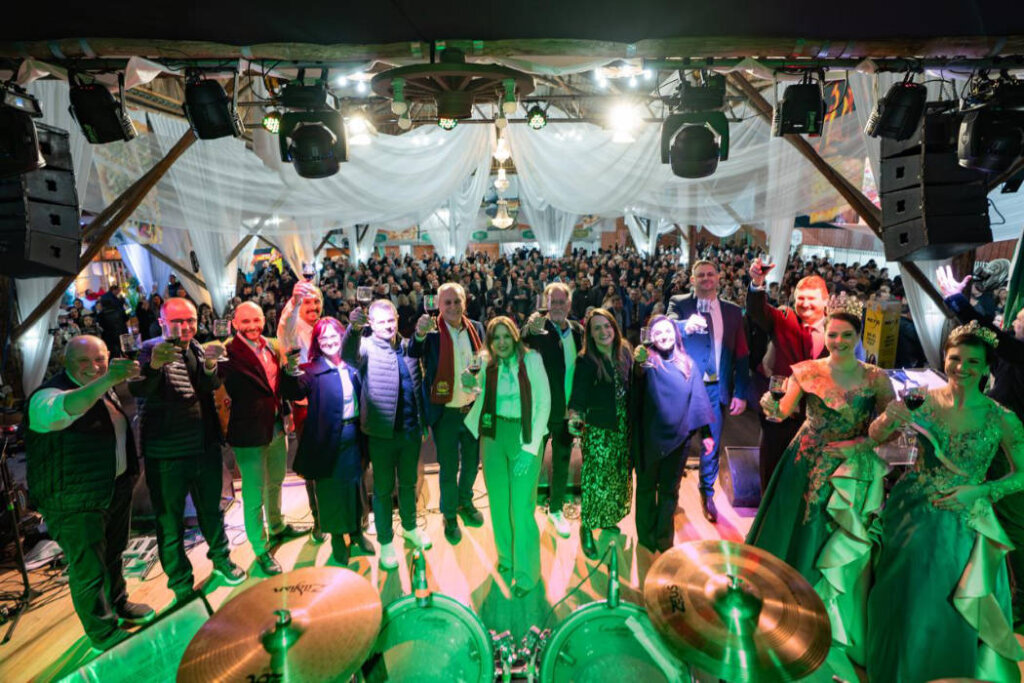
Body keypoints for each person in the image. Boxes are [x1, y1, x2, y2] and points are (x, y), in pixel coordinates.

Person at [866, 321, 1024, 680]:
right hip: (911, 514)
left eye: (973, 361)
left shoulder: (1002, 419)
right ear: (945, 358)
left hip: (965, 523)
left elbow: (1021, 475)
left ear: (986, 367)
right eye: (955, 358)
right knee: (903, 593)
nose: (962, 368)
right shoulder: (920, 398)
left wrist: (981, 491)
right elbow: (877, 436)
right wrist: (889, 418)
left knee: (949, 601)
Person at [747, 300, 893, 666]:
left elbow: (890, 427)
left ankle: (834, 621)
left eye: (847, 335)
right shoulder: (806, 371)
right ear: (824, 334)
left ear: (858, 336)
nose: (839, 341)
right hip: (806, 463)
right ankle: (789, 610)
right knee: (797, 532)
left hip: (852, 469)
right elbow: (782, 412)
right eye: (833, 334)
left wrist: (864, 443)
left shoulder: (876, 378)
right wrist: (770, 405)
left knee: (839, 539)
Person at [25, 336, 153, 652]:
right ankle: (102, 633)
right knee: (88, 568)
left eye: (99, 359)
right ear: (65, 362)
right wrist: (107, 379)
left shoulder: (104, 387)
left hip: (111, 488)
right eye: (84, 361)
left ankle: (118, 603)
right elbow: (68, 408)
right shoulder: (46, 396)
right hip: (72, 498)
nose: (94, 367)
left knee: (113, 552)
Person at [129, 298, 245, 602]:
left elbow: (208, 387)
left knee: (212, 510)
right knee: (170, 522)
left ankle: (221, 560)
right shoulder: (149, 350)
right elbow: (138, 387)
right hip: (167, 453)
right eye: (177, 321)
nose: (185, 326)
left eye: (190, 320)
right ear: (162, 322)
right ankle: (181, 583)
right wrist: (154, 365)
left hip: (204, 447)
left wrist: (210, 365)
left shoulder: (197, 348)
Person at [939, 264, 1024, 625]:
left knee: (1014, 524)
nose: (1016, 316)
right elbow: (994, 342)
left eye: (1021, 314)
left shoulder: (1018, 352)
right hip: (992, 442)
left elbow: (996, 340)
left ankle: (1017, 606)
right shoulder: (1013, 353)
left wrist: (959, 303)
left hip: (1013, 448)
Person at [747, 257, 863, 490]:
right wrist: (757, 283)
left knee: (809, 480)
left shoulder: (839, 331)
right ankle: (768, 511)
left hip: (821, 420)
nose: (805, 304)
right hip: (781, 416)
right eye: (800, 298)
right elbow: (757, 311)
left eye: (811, 299)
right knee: (772, 473)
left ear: (825, 301)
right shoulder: (784, 318)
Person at [217, 302, 305, 576]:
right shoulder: (227, 352)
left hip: (276, 425)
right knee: (254, 494)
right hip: (248, 432)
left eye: (256, 320)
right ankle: (260, 547)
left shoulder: (270, 346)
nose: (252, 326)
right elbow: (216, 383)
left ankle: (277, 526)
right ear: (234, 323)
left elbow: (276, 387)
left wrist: (289, 381)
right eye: (246, 322)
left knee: (276, 481)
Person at [464, 317, 551, 596]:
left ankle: (526, 573)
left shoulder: (532, 360)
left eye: (506, 336)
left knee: (521, 508)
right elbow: (477, 394)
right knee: (499, 504)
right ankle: (507, 557)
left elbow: (543, 404)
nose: (501, 342)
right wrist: (469, 385)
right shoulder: (485, 362)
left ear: (515, 336)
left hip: (524, 434)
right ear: (490, 341)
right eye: (496, 337)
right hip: (493, 435)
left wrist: (530, 448)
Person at [344, 300, 430, 571]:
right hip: (381, 435)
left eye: (391, 320)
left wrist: (423, 423)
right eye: (381, 322)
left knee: (408, 484)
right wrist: (353, 329)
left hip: (410, 432)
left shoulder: (407, 347)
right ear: (371, 323)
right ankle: (385, 541)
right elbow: (348, 356)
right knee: (382, 490)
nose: (387, 326)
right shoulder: (365, 347)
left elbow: (418, 387)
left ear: (397, 319)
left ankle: (410, 527)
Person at [282, 317, 373, 566]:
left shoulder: (352, 364)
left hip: (355, 436)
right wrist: (289, 371)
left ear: (342, 337)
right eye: (324, 338)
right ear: (317, 343)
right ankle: (337, 539)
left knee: (356, 486)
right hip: (327, 442)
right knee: (331, 491)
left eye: (334, 336)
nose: (330, 342)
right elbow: (293, 391)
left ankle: (357, 532)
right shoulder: (310, 370)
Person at [668, 259, 750, 523]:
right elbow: (666, 328)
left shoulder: (733, 311)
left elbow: (742, 354)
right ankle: (671, 495)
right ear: (692, 280)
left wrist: (741, 392)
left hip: (716, 389)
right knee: (679, 445)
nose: (706, 278)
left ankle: (708, 495)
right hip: (687, 388)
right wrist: (684, 325)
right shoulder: (679, 303)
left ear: (718, 277)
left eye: (710, 274)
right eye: (700, 275)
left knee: (710, 445)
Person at [409, 282, 486, 544]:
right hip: (445, 414)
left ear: (465, 302)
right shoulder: (431, 331)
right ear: (439, 306)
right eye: (447, 302)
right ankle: (450, 514)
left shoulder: (477, 328)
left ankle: (466, 500)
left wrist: (476, 376)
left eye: (457, 301)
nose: (453, 307)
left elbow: (482, 359)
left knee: (472, 464)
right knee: (448, 468)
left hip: (471, 409)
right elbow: (413, 351)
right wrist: (419, 334)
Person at [632, 316, 715, 552]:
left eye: (667, 331)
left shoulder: (688, 363)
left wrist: (706, 435)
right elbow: (636, 379)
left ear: (676, 334)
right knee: (646, 489)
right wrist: (638, 363)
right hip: (648, 439)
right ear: (651, 337)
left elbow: (699, 399)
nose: (664, 336)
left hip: (679, 441)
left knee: (669, 492)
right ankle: (646, 539)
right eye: (658, 332)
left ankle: (663, 539)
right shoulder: (647, 362)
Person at [568, 308, 633, 560]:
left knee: (617, 476)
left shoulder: (624, 352)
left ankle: (606, 518)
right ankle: (586, 525)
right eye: (597, 328)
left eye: (607, 326)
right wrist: (575, 415)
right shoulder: (586, 360)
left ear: (614, 327)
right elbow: (578, 394)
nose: (603, 331)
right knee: (595, 480)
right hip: (598, 428)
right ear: (590, 334)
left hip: (622, 426)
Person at [522, 282, 584, 538]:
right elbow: (521, 340)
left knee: (561, 462)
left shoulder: (578, 331)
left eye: (561, 302)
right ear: (546, 304)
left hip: (568, 411)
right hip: (541, 410)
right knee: (531, 460)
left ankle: (555, 509)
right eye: (553, 302)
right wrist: (530, 324)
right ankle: (525, 509)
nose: (557, 306)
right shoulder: (538, 328)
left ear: (569, 304)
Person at [277, 281, 327, 542]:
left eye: (317, 301)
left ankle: (336, 513)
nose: (313, 307)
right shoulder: (293, 330)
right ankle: (319, 519)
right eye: (308, 302)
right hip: (307, 408)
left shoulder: (326, 327)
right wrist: (294, 302)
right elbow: (285, 324)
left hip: (329, 404)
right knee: (312, 466)